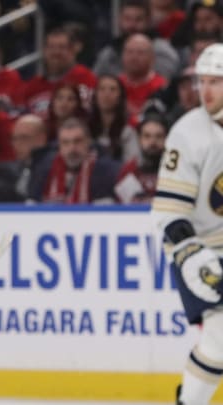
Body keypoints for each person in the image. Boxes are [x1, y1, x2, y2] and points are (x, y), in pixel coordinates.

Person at [151, 43, 223, 405]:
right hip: (200, 248)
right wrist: (190, 251)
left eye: (216, 82)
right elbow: (169, 212)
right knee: (221, 333)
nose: (206, 91)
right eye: (202, 81)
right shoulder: (188, 133)